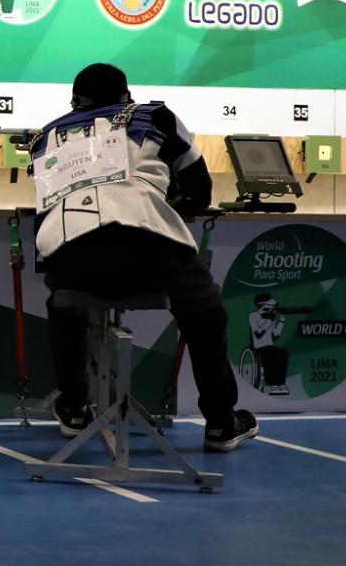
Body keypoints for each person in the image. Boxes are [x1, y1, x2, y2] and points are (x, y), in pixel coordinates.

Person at [28, 62, 259, 451]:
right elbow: (199, 191)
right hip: (149, 246)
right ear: (127, 96)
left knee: (63, 301)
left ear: (73, 100)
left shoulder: (46, 136)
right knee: (205, 310)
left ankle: (73, 407)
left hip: (72, 253)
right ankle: (221, 422)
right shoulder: (157, 116)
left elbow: (47, 206)